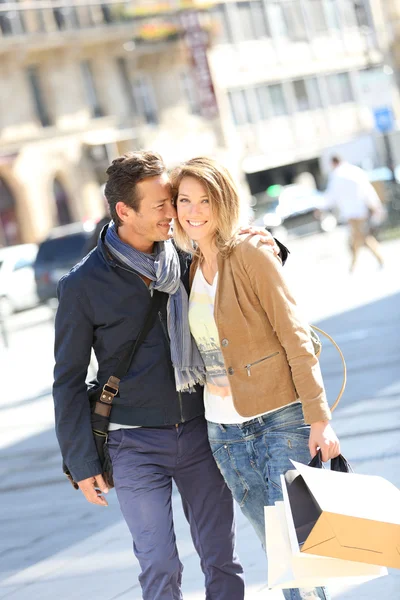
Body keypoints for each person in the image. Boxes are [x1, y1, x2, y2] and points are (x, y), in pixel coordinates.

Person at [53, 151, 285, 600]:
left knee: (221, 558)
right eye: (161, 205)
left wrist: (268, 243)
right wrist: (81, 464)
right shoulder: (82, 285)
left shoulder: (189, 253)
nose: (173, 212)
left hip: (201, 431)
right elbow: (67, 380)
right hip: (132, 443)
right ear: (124, 211)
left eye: (172, 201)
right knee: (159, 563)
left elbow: (241, 278)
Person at [171, 157, 341, 600]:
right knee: (279, 551)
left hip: (279, 419)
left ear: (224, 201)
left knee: (299, 548)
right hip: (223, 431)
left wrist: (319, 417)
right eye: (185, 200)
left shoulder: (250, 252)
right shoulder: (188, 266)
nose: (194, 210)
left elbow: (295, 337)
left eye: (205, 200)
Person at [325, 156, 385, 272]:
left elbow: (330, 196)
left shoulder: (336, 175)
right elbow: (367, 190)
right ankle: (355, 264)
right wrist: (375, 205)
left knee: (360, 237)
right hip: (361, 210)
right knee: (360, 236)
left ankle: (356, 264)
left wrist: (322, 207)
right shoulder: (355, 171)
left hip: (350, 213)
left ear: (333, 163)